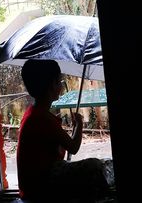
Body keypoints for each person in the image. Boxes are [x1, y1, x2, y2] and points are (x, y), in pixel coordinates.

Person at [17, 59, 109, 203]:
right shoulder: (43, 119)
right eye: (59, 82)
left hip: (31, 186)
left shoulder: (33, 113)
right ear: (51, 85)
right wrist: (79, 124)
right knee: (95, 167)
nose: (61, 86)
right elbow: (74, 147)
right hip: (39, 189)